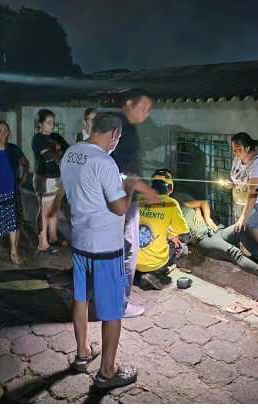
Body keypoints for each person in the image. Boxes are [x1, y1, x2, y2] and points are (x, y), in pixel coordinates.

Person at [60, 112, 138, 389]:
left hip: (80, 242)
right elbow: (119, 208)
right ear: (114, 134)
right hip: (105, 247)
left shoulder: (71, 153)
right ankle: (107, 371)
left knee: (80, 299)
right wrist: (128, 187)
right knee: (112, 311)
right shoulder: (104, 161)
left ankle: (82, 355)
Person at [167, 169, 258, 281]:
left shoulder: (181, 205)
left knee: (239, 229)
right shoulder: (169, 218)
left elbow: (203, 203)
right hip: (204, 240)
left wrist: (205, 216)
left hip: (216, 230)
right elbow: (179, 236)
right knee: (234, 252)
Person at [109, 89, 160, 318]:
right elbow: (128, 173)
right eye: (144, 107)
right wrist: (149, 191)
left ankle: (103, 297)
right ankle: (119, 304)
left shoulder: (115, 125)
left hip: (112, 198)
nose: (146, 114)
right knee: (128, 250)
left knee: (113, 250)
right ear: (129, 103)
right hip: (124, 200)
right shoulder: (124, 131)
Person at [221, 133, 258, 266]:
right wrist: (232, 184)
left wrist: (243, 217)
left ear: (247, 147)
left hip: (257, 206)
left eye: (238, 149)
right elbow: (238, 179)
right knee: (245, 240)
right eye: (233, 149)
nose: (235, 152)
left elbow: (253, 194)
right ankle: (251, 266)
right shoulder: (237, 160)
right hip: (241, 204)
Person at [135, 172, 190, 290]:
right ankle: (156, 273)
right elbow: (185, 236)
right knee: (183, 248)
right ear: (169, 188)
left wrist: (169, 234)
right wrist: (173, 235)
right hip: (152, 264)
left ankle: (137, 274)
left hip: (132, 260)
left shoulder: (139, 198)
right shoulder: (170, 203)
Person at [0, 121, 24, 266]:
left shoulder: (12, 150)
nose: (1, 134)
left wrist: (21, 180)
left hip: (9, 193)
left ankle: (14, 252)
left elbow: (25, 164)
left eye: (4, 131)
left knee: (12, 225)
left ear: (8, 133)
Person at [32, 109, 69, 254]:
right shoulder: (38, 139)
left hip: (58, 176)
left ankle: (53, 238)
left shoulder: (56, 136)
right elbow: (51, 156)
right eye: (48, 122)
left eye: (53, 122)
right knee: (45, 211)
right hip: (45, 177)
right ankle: (42, 243)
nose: (52, 125)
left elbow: (68, 151)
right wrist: (58, 153)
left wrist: (58, 153)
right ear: (40, 124)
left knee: (54, 210)